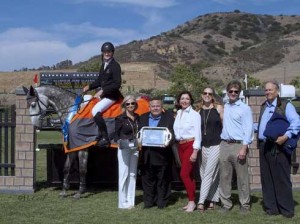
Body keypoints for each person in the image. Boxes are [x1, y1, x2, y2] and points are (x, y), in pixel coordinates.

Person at [257, 80, 300, 218]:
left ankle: (287, 210)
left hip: (279, 146)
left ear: (277, 91)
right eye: (266, 90)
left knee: (281, 178)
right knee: (267, 178)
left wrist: (286, 136)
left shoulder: (286, 105)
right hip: (265, 145)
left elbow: (296, 122)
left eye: (270, 90)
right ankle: (272, 208)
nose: (268, 92)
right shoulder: (264, 106)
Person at [219, 80, 253, 214]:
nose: (233, 93)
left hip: (239, 145)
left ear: (239, 93)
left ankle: (245, 204)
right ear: (227, 92)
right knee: (225, 177)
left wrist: (244, 148)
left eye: (236, 91)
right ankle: (226, 204)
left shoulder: (244, 108)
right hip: (224, 144)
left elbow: (249, 129)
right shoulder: (225, 106)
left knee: (242, 177)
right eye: (231, 91)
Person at [83, 42, 122, 146]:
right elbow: (99, 80)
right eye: (105, 52)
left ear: (112, 53)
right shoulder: (103, 65)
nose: (107, 53)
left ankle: (105, 137)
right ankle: (96, 133)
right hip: (105, 95)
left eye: (109, 51)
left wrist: (103, 90)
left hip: (112, 96)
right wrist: (89, 87)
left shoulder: (115, 65)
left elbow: (117, 84)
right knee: (87, 101)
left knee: (95, 110)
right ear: (102, 53)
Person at [139, 97, 175, 209]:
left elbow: (173, 135)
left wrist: (168, 142)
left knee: (162, 179)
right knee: (148, 179)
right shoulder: (142, 118)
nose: (155, 108)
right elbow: (139, 134)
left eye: (158, 106)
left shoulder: (169, 118)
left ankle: (161, 201)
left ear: (162, 107)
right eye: (153, 106)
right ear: (149, 107)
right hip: (147, 155)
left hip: (163, 155)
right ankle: (149, 201)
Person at [173, 91, 201, 212]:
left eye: (187, 99)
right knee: (189, 175)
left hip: (190, 145)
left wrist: (195, 151)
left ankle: (191, 202)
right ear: (179, 101)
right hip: (181, 145)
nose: (184, 101)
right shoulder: (178, 113)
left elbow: (198, 135)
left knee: (183, 174)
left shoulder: (195, 115)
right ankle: (192, 200)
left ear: (191, 101)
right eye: (182, 98)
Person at [197, 87, 223, 212]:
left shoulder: (218, 108)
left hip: (216, 144)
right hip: (202, 145)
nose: (207, 95)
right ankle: (212, 199)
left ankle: (201, 202)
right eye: (205, 93)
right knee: (205, 173)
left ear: (213, 96)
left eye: (210, 93)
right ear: (202, 95)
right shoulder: (198, 110)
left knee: (208, 172)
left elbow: (224, 125)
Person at [114, 95, 140, 209]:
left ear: (135, 105)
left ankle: (130, 201)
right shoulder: (120, 118)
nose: (130, 105)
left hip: (135, 148)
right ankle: (122, 202)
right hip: (124, 148)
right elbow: (115, 135)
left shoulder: (138, 117)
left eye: (132, 103)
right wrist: (120, 141)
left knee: (133, 174)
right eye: (128, 104)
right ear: (124, 105)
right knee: (123, 174)